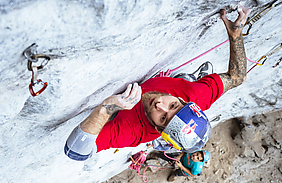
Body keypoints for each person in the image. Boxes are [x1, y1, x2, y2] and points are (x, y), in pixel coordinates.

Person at [64, 5, 250, 161]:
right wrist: (235, 35)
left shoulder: (133, 132)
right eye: (173, 105)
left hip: (121, 113)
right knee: (186, 80)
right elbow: (237, 77)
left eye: (163, 118)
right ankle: (188, 78)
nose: (160, 104)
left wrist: (107, 109)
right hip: (186, 86)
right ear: (182, 100)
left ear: (158, 129)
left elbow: (75, 152)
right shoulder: (195, 95)